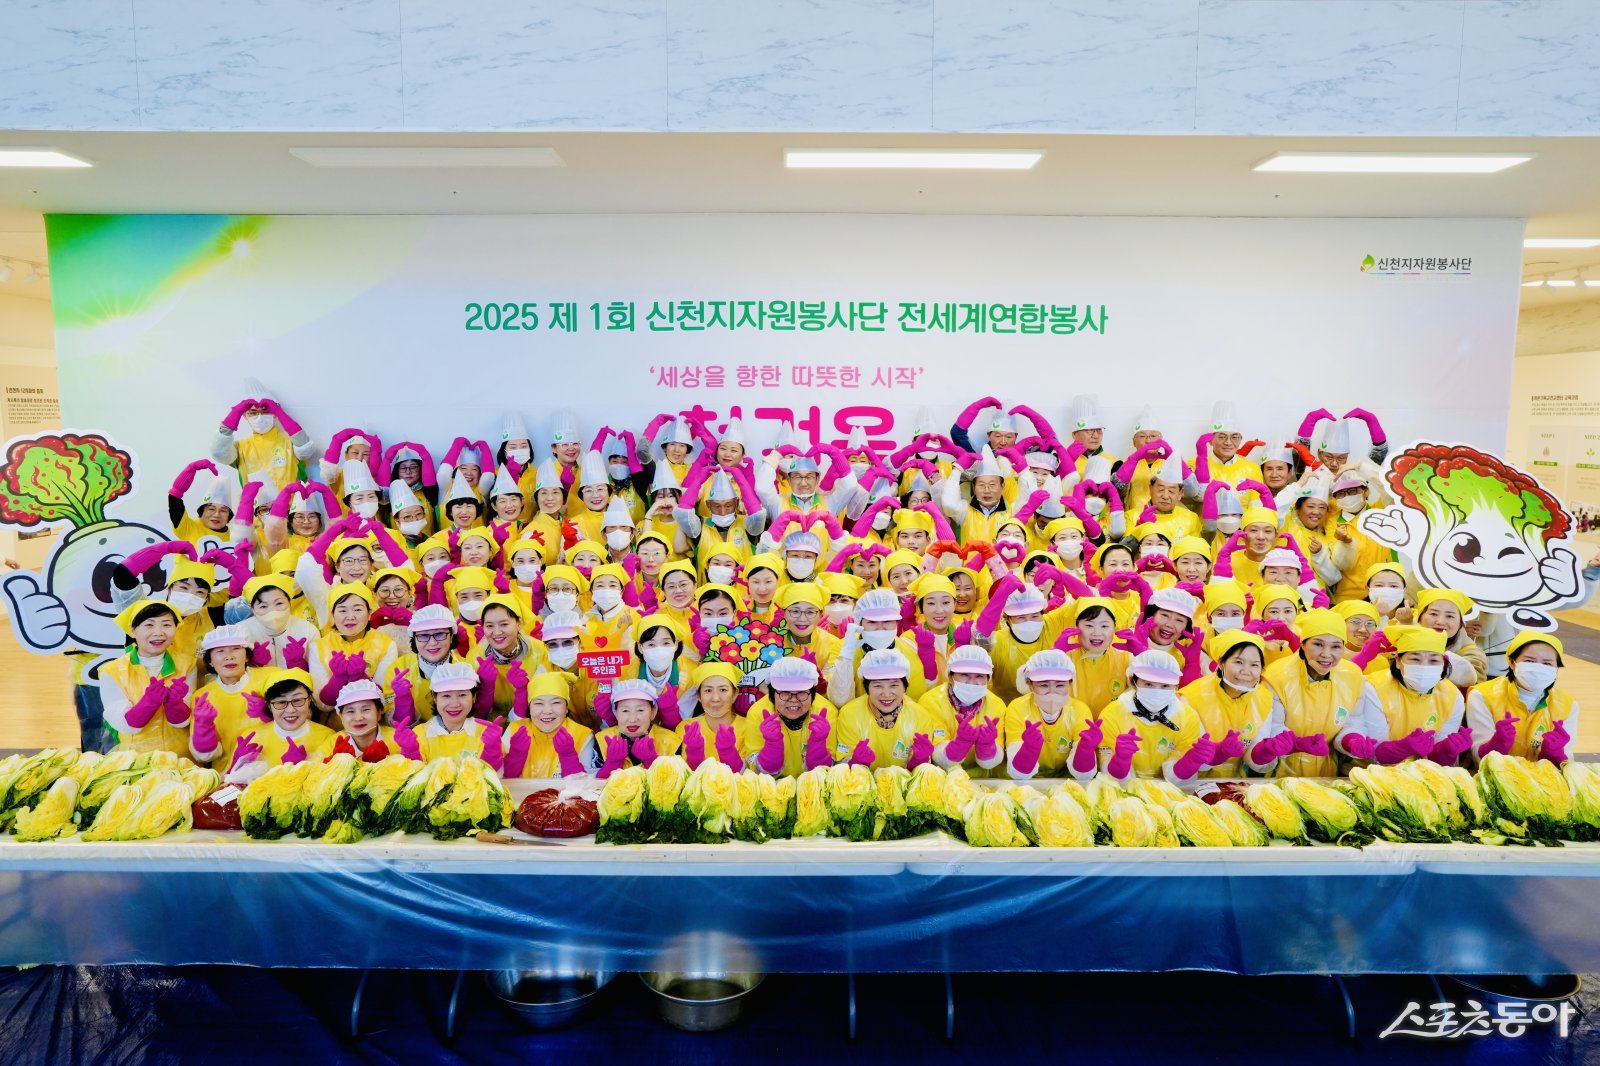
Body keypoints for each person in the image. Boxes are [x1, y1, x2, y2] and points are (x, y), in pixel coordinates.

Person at [1263, 608, 1379, 777]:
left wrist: (1352, 740)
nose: (1326, 654)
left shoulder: (1352, 676)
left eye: (1336, 646)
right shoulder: (1276, 676)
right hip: (1278, 772)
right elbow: (1272, 727)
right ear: (1303, 644)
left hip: (1327, 772)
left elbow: (1353, 721)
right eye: (1318, 644)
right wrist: (1297, 744)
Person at [1092, 650, 1218, 789]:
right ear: (1132, 682)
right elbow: (1110, 777)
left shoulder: (1187, 718)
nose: (1157, 692)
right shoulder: (1112, 714)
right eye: (1148, 684)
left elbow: (1177, 779)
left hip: (1169, 792)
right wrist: (1120, 759)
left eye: (1165, 686)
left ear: (1176, 686)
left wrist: (1192, 760)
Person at [1179, 631, 1287, 777]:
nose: (1246, 671)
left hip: (1234, 781)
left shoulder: (1264, 698)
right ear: (1221, 663)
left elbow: (1252, 757)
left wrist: (1265, 752)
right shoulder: (1192, 697)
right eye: (1238, 662)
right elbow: (1189, 756)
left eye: (1254, 665)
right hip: (1193, 780)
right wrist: (1220, 752)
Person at [99, 599, 197, 758]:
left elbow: (182, 723)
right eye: (149, 625)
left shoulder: (188, 664)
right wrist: (149, 702)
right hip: (135, 760)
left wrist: (175, 704)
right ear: (132, 630)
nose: (158, 632)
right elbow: (124, 725)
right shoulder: (111, 671)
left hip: (180, 759)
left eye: (166, 625)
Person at [1467, 631, 1577, 764]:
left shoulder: (1567, 705)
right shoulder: (1482, 695)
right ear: (1512, 662)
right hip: (1494, 774)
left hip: (1541, 776)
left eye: (1547, 664)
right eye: (1529, 661)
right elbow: (1478, 759)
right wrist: (1497, 743)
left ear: (1556, 668)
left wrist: (1554, 753)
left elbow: (1566, 764)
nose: (1538, 668)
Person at [210, 668, 335, 783]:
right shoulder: (251, 738)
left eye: (298, 700)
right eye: (281, 702)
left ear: (309, 701)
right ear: (269, 706)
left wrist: (301, 770)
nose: (290, 710)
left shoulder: (328, 738)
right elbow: (226, 788)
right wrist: (234, 768)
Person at [831, 649, 949, 770]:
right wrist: (855, 762)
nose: (886, 694)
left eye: (894, 685)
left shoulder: (920, 716)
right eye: (878, 686)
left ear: (904, 687)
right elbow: (841, 767)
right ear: (867, 688)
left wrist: (918, 761)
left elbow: (921, 773)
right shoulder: (850, 714)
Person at [1004, 649, 1093, 780]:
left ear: (1070, 683)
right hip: (1026, 782)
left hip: (1066, 780)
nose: (1052, 691)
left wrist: (1086, 749)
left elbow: (1083, 775)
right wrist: (1029, 749)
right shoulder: (1017, 708)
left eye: (1060, 685)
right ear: (1030, 684)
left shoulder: (1079, 710)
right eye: (1044, 685)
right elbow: (1018, 773)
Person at [740, 656, 837, 777]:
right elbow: (755, 771)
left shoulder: (826, 713)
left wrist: (818, 745)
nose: (793, 700)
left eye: (801, 692)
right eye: (785, 692)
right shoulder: (757, 713)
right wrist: (771, 747)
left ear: (812, 693)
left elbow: (831, 772)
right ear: (772, 693)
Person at [393, 661, 504, 763]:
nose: (454, 704)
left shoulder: (486, 733)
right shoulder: (419, 734)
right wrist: (410, 751)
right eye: (446, 696)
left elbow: (493, 774)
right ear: (435, 698)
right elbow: (413, 773)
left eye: (462, 695)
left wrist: (492, 749)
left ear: (474, 697)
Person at [923, 644, 1007, 777]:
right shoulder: (931, 701)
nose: (971, 682)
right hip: (942, 779)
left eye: (979, 676)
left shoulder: (997, 705)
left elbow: (992, 763)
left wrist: (988, 747)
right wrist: (959, 744)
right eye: (964, 675)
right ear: (950, 676)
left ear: (988, 679)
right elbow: (936, 755)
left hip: (982, 780)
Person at [384, 604, 466, 727]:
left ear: (451, 636)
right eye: (423, 635)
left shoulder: (466, 668)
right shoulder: (399, 669)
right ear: (414, 639)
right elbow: (395, 724)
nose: (432, 643)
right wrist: (403, 703)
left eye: (440, 634)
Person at [501, 672, 594, 778]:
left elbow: (586, 784)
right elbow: (498, 779)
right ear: (529, 707)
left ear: (567, 707)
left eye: (556, 703)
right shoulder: (515, 730)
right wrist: (515, 756)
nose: (547, 711)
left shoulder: (583, 735)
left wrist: (568, 756)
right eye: (538, 703)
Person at [587, 678, 683, 775]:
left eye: (640, 710)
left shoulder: (671, 742)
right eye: (625, 711)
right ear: (615, 713)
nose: (632, 719)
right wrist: (613, 763)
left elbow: (677, 781)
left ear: (653, 712)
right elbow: (591, 781)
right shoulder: (603, 740)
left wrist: (651, 761)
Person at [677, 662, 747, 771]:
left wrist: (730, 755)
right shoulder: (687, 728)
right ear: (699, 696)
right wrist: (694, 757)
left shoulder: (748, 727)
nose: (715, 698)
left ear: (735, 694)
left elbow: (751, 774)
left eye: (723, 690)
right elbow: (683, 774)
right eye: (708, 690)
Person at [317, 679, 397, 762]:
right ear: (341, 717)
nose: (358, 718)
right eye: (350, 711)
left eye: (366, 709)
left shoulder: (397, 740)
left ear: (379, 713)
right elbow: (315, 767)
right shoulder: (332, 745)